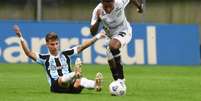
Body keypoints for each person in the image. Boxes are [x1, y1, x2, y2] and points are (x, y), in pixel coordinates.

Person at [13, 25, 104, 93]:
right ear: (47, 44)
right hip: (56, 87)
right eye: (52, 44)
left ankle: (95, 84)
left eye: (56, 43)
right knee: (61, 79)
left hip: (71, 87)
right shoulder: (44, 58)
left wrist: (98, 36)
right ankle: (75, 73)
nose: (55, 46)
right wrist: (20, 37)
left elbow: (82, 47)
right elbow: (28, 53)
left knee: (80, 81)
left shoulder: (66, 54)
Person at [90, 0, 143, 87]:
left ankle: (121, 80)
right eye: (105, 7)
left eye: (110, 6)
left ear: (113, 2)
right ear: (102, 2)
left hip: (124, 30)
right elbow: (92, 32)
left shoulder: (120, 2)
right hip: (110, 36)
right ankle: (117, 83)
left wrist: (140, 7)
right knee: (110, 59)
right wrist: (98, 20)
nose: (108, 9)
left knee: (113, 46)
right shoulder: (97, 10)